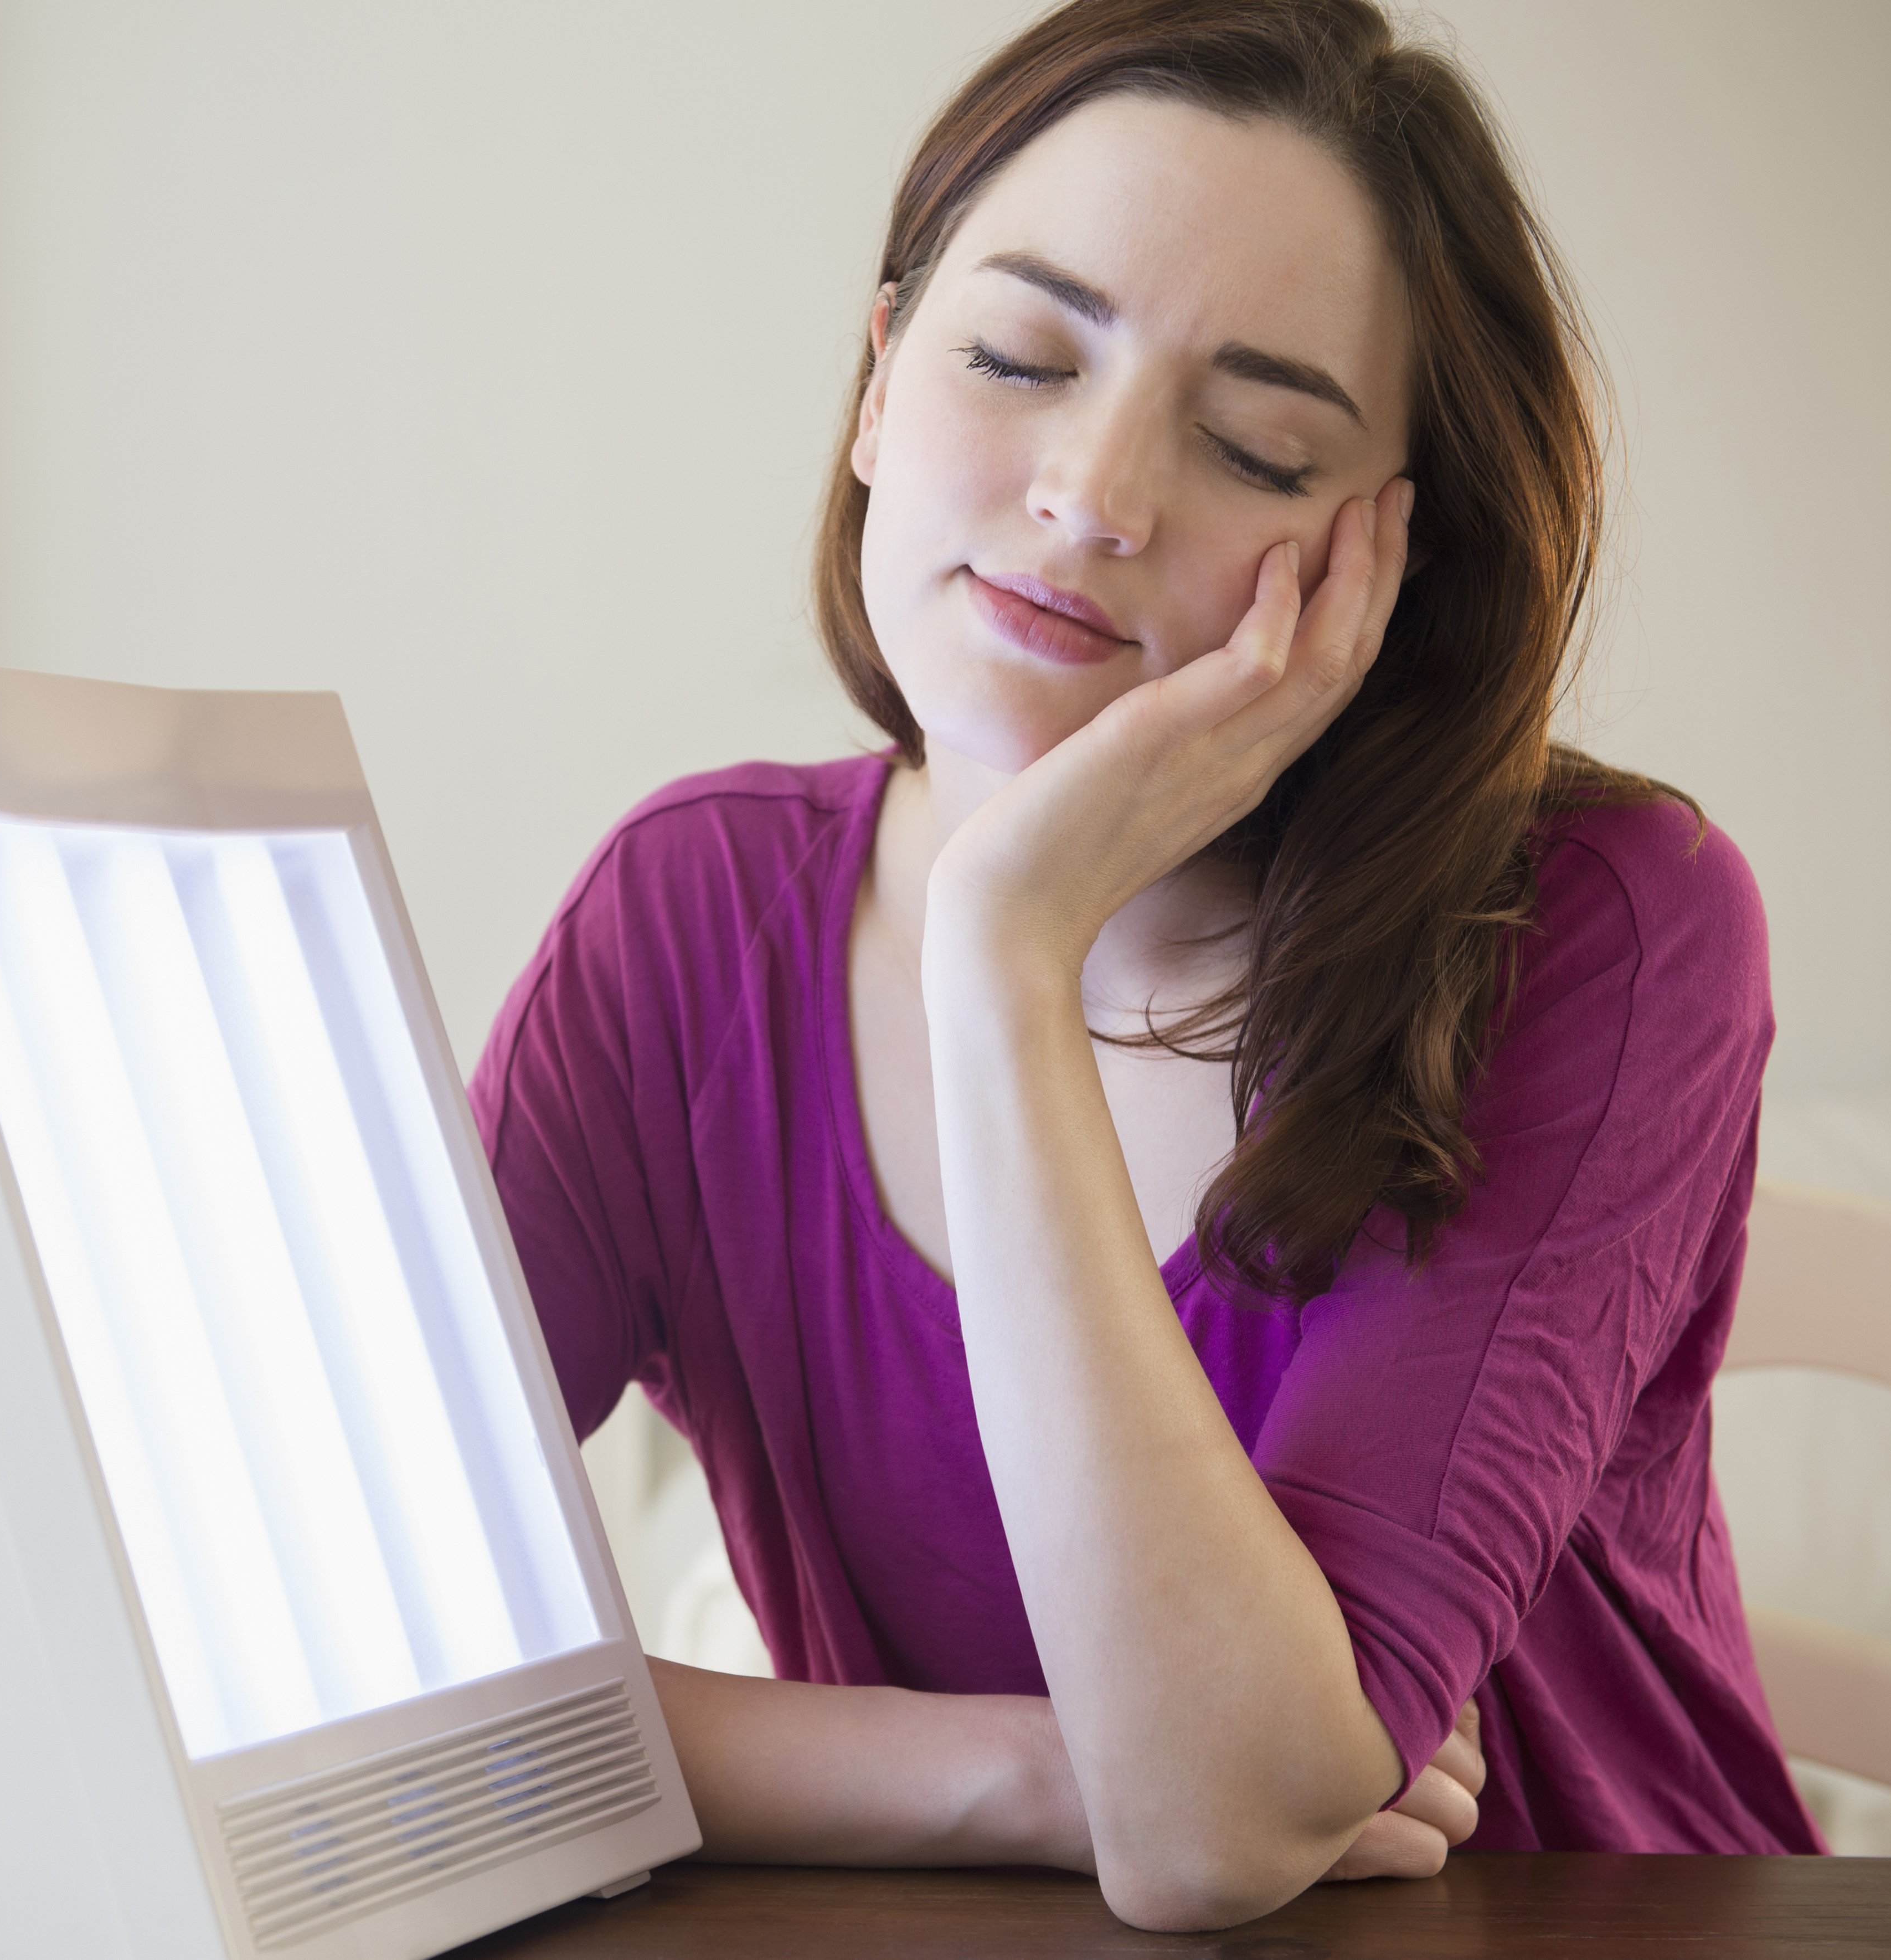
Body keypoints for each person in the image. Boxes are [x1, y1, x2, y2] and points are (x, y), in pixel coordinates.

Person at [472, 0, 1821, 1930]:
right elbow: (336, 1668)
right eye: (1020, 355)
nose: (1096, 496)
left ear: (1393, 565)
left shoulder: (1607, 926)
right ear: (877, 390)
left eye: (1259, 448)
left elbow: (1214, 1827)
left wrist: (1008, 943)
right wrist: (1023, 1770)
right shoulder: (683, 920)